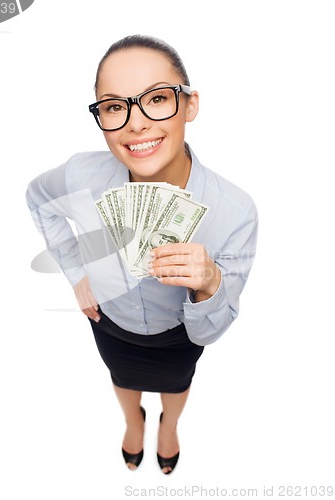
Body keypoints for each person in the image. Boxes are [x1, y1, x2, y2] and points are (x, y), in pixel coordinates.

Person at [26, 34, 258, 474]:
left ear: (189, 105)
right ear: (102, 117)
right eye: (114, 106)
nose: (136, 123)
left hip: (179, 335)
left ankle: (169, 425)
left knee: (177, 382)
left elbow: (212, 332)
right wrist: (77, 271)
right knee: (122, 376)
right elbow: (38, 200)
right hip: (110, 320)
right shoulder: (81, 174)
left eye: (156, 98)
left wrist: (210, 285)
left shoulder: (236, 211)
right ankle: (133, 420)